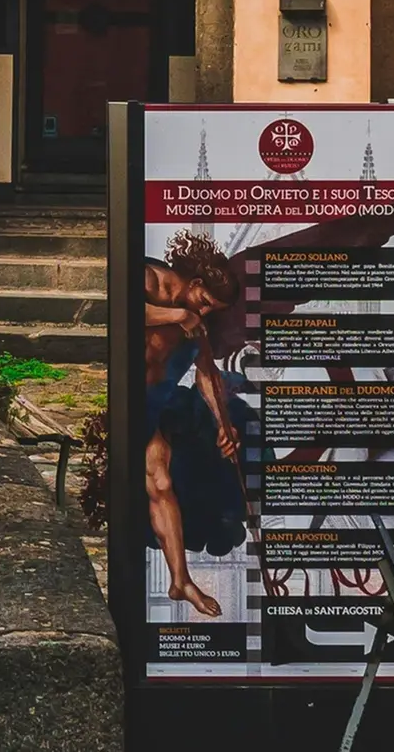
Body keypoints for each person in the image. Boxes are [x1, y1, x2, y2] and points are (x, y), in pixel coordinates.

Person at [139, 230, 249, 618]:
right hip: (123, 399)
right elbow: (121, 308)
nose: (204, 313)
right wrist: (177, 314)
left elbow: (207, 374)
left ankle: (180, 581)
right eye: (204, 302)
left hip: (150, 405)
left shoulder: (197, 324)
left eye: (211, 310)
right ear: (196, 282)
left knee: (161, 483)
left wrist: (224, 423)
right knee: (157, 481)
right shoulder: (149, 279)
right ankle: (178, 580)